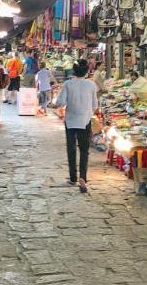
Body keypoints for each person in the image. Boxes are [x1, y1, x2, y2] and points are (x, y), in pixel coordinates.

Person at [53, 59, 98, 193]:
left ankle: (73, 177)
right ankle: (83, 177)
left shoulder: (68, 84)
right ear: (86, 71)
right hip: (85, 121)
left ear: (74, 70)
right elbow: (95, 105)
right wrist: (88, 113)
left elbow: (60, 102)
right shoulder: (91, 85)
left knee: (71, 148)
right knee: (84, 150)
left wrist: (55, 105)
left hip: (71, 121)